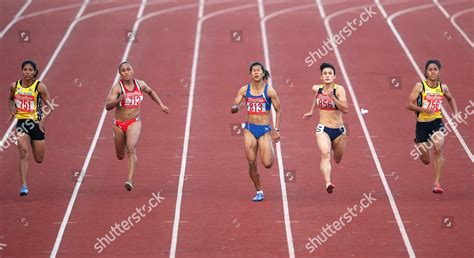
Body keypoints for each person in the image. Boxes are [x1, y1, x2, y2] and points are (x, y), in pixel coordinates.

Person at [105, 61, 169, 191]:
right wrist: (119, 99)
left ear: (133, 71)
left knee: (131, 147)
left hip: (134, 121)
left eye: (128, 69)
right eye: (123, 70)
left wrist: (161, 104)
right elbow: (107, 106)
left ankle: (129, 180)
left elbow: (150, 92)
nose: (126, 72)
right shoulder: (117, 88)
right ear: (120, 73)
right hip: (118, 124)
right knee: (120, 156)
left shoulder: (140, 84)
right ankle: (122, 151)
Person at [406, 59, 459, 194]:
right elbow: (408, 104)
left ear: (439, 72)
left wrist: (456, 113)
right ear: (426, 72)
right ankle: (418, 142)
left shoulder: (443, 87)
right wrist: (424, 110)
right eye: (430, 69)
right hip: (422, 125)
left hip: (436, 122)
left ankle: (436, 183)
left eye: (435, 69)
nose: (433, 72)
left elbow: (450, 98)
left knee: (438, 148)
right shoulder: (420, 86)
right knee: (426, 160)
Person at [231, 62, 281, 202]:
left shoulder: (269, 91)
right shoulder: (244, 90)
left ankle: (268, 148)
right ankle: (259, 191)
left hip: (265, 129)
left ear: (263, 73)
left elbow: (279, 110)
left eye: (259, 70)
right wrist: (235, 107)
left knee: (267, 164)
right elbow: (234, 104)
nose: (256, 73)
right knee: (251, 163)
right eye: (254, 71)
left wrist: (276, 130)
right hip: (250, 129)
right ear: (250, 74)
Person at [9, 60, 54, 196]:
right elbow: (11, 99)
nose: (27, 72)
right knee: (23, 152)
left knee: (39, 159)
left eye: (30, 70)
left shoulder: (40, 87)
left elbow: (50, 107)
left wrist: (42, 121)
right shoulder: (14, 86)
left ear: (35, 72)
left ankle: (35, 145)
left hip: (35, 124)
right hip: (22, 123)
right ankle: (24, 186)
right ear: (22, 71)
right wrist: (12, 110)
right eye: (25, 70)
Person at [303, 63, 348, 193]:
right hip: (323, 128)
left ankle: (335, 149)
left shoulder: (339, 90)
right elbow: (316, 97)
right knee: (325, 153)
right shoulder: (317, 88)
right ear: (321, 77)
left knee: (337, 159)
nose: (327, 75)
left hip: (339, 130)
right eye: (325, 74)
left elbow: (345, 109)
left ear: (334, 76)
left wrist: (332, 97)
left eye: (330, 73)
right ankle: (328, 182)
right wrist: (311, 111)